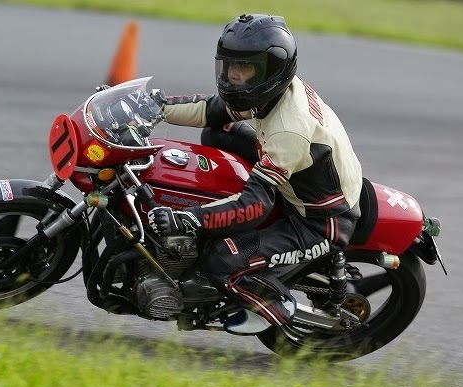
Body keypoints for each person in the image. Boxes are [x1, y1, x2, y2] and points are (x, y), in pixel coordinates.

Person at [147, 13, 363, 334]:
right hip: (302, 176)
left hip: (319, 221)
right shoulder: (270, 92)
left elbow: (254, 206)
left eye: (244, 67)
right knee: (217, 132)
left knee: (220, 260)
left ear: (271, 71)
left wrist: (188, 219)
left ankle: (274, 307)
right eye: (229, 65)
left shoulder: (288, 129)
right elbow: (210, 110)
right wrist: (150, 106)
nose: (233, 75)